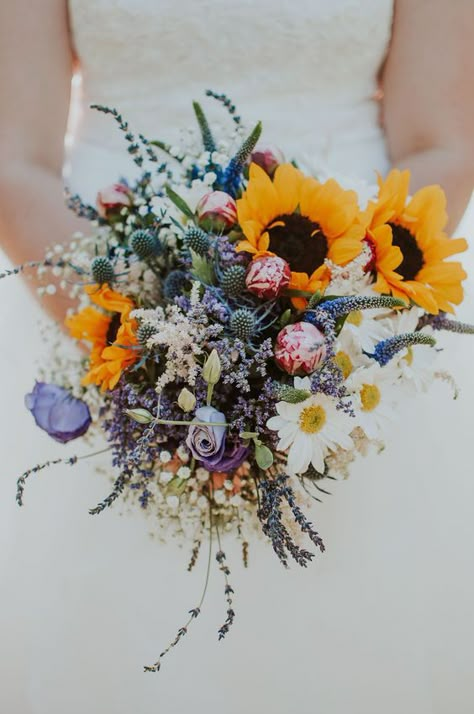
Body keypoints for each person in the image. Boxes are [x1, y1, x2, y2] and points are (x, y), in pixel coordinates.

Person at [1, 1, 474, 712]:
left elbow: (439, 142)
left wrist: (326, 329)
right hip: (94, 299)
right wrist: (154, 351)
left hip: (351, 334)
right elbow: (16, 158)